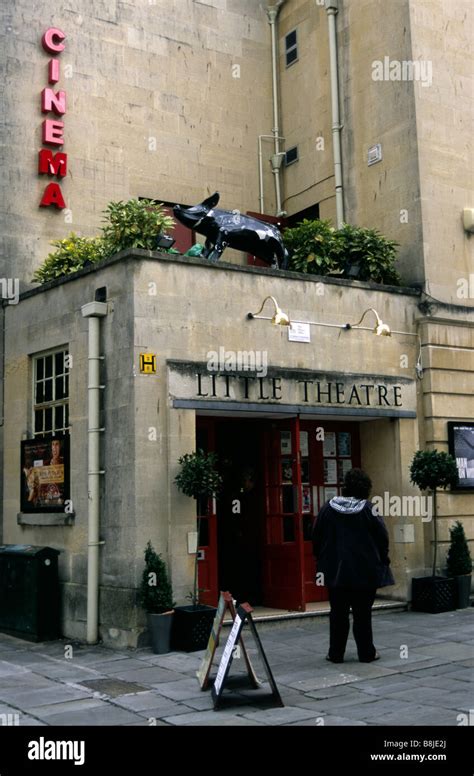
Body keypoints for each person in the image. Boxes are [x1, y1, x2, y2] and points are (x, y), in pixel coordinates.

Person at [312, 468, 394, 663]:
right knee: (362, 614)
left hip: (336, 571)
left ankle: (335, 653)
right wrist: (383, 559)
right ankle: (366, 653)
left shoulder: (328, 508)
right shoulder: (368, 509)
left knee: (338, 613)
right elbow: (382, 538)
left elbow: (316, 536)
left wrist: (321, 559)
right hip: (365, 572)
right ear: (366, 488)